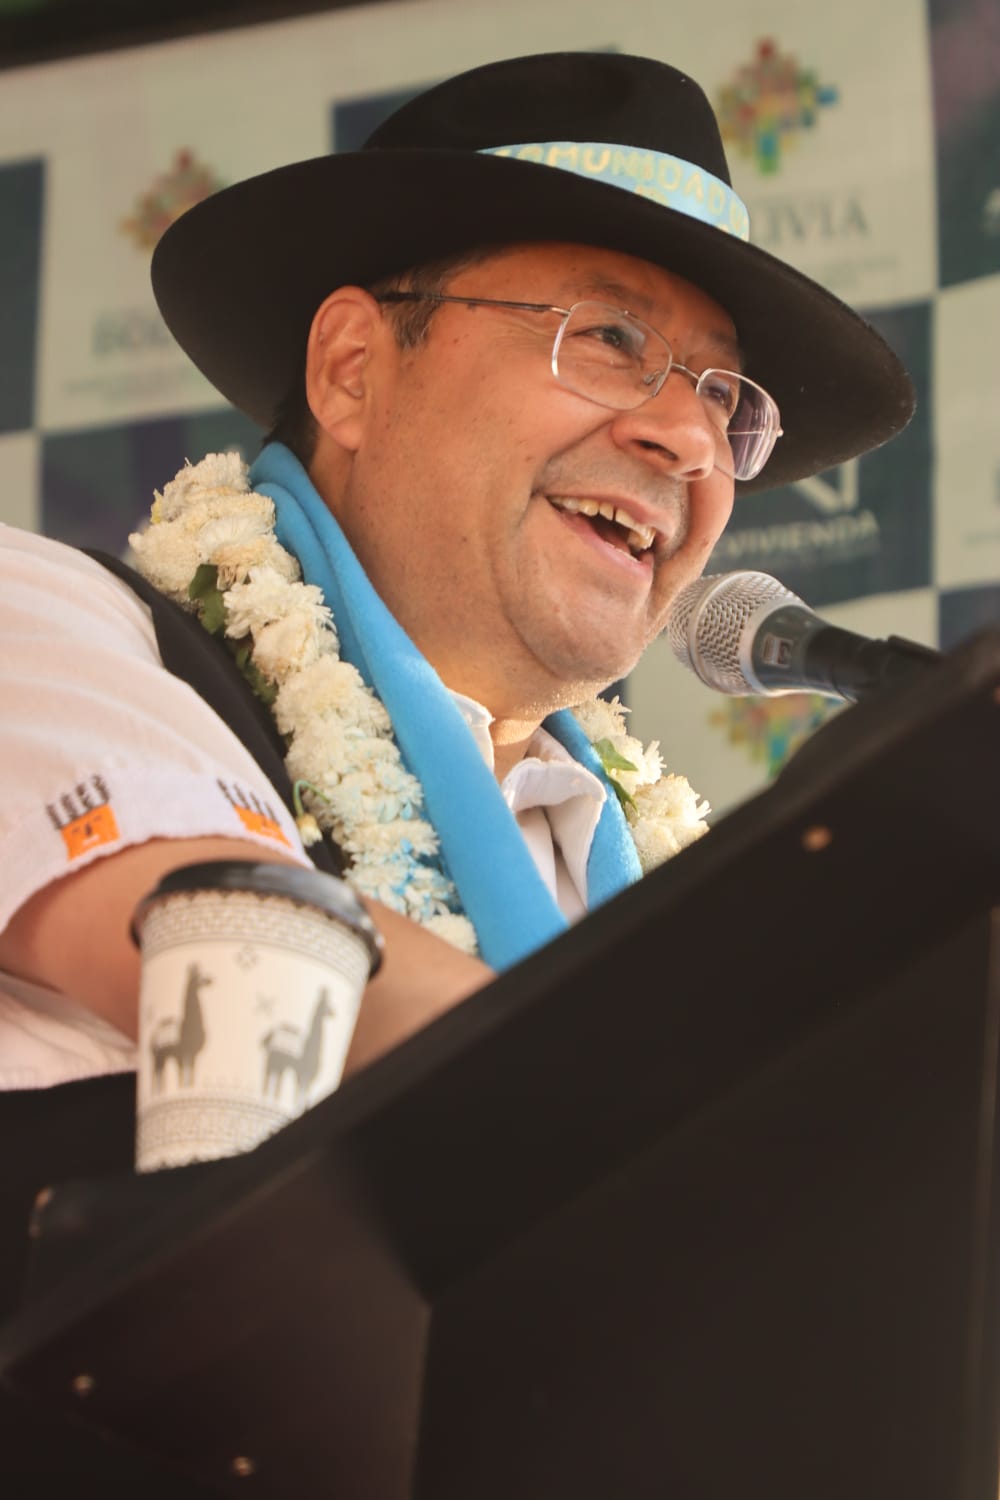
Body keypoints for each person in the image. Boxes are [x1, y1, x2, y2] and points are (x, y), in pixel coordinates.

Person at [0, 52, 914, 1240]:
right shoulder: (50, 623)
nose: (691, 439)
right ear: (352, 369)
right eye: (611, 336)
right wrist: (729, 1189)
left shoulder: (632, 870)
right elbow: (237, 951)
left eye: (721, 395)